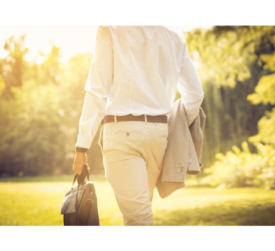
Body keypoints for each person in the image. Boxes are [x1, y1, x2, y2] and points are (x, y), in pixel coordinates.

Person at [73, 26, 204, 226]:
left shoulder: (111, 29)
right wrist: (178, 127)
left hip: (122, 134)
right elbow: (195, 95)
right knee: (141, 211)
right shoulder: (174, 38)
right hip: (160, 135)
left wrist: (82, 147)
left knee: (138, 219)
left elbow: (97, 91)